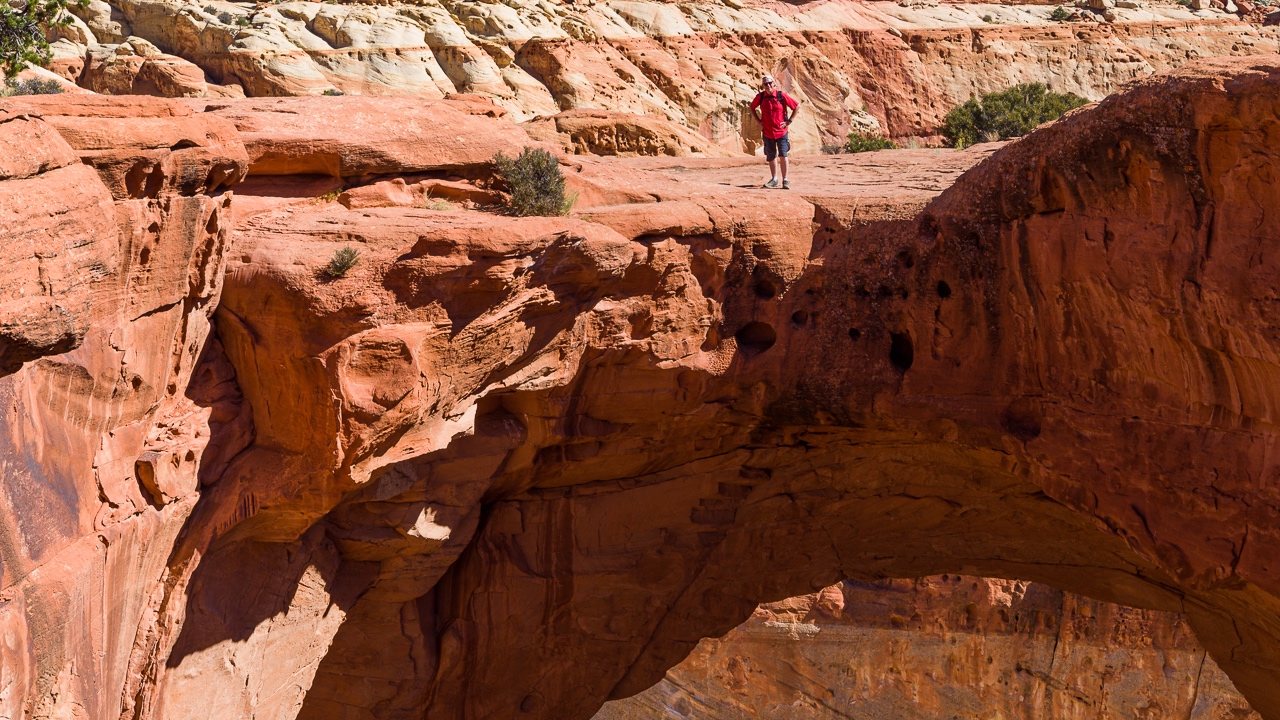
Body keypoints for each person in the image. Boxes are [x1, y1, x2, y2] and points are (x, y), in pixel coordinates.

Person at [749, 75, 800, 189]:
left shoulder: (781, 96)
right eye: (765, 84)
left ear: (774, 84)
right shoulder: (761, 97)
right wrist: (758, 121)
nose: (768, 86)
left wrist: (789, 121)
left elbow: (797, 106)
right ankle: (774, 179)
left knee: (783, 155)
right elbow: (752, 107)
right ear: (763, 86)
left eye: (769, 83)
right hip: (768, 132)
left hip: (781, 131)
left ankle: (785, 180)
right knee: (771, 156)